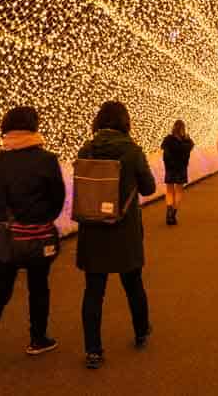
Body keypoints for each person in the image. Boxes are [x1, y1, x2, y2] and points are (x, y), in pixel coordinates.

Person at [0, 106, 66, 369]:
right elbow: (57, 197)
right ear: (33, 127)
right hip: (38, 237)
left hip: (5, 238)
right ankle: (38, 339)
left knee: (0, 290)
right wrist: (43, 217)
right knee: (38, 286)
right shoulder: (46, 159)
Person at [77, 101, 157, 369]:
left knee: (93, 291)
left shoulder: (86, 149)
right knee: (133, 284)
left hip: (93, 230)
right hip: (124, 230)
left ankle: (93, 350)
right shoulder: (131, 151)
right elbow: (148, 188)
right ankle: (141, 331)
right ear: (125, 122)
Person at [161, 120, 194, 226]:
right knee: (179, 191)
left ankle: (169, 214)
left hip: (170, 168)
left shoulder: (168, 139)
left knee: (169, 191)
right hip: (181, 168)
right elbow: (190, 148)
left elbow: (164, 152)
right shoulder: (186, 141)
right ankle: (173, 214)